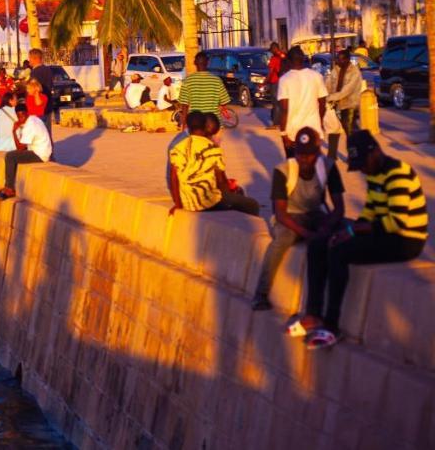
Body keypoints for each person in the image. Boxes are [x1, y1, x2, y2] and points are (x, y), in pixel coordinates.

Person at [295, 130, 428, 349]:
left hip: (405, 240)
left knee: (340, 253)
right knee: (320, 243)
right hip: (384, 232)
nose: (363, 170)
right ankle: (313, 313)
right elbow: (370, 211)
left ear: (375, 152)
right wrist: (349, 229)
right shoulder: (375, 174)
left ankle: (331, 325)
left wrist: (354, 232)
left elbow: (397, 221)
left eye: (363, 164)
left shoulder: (398, 173)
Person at [251, 128, 345, 311]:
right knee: (282, 240)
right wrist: (307, 234)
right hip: (290, 217)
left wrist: (328, 226)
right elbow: (280, 214)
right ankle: (261, 293)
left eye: (310, 155)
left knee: (345, 229)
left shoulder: (328, 167)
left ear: (318, 152)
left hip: (316, 214)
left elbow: (339, 208)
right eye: (301, 154)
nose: (305, 160)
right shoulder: (283, 170)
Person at [168, 111, 260, 216]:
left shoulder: (179, 147)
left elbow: (174, 179)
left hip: (187, 202)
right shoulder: (213, 148)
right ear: (205, 126)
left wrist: (178, 204)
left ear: (188, 127)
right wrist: (230, 193)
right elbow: (221, 181)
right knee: (252, 205)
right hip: (209, 202)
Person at [0, 102, 51, 200]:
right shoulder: (34, 119)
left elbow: (20, 148)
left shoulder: (30, 125)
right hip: (40, 151)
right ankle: (7, 186)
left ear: (27, 113)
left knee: (10, 156)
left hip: (40, 155)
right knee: (12, 154)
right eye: (19, 117)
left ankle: (10, 188)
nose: (21, 119)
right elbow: (20, 146)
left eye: (23, 116)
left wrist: (14, 131)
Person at [277, 46, 327, 158]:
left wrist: (283, 134)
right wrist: (320, 123)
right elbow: (323, 105)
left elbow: (284, 110)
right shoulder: (317, 76)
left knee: (294, 168)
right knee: (313, 166)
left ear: (289, 61)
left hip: (292, 133)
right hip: (314, 131)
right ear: (303, 58)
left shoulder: (285, 80)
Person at [325, 50, 363, 164]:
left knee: (350, 132)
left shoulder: (355, 73)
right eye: (337, 58)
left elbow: (345, 91)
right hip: (336, 103)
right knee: (333, 128)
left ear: (347, 59)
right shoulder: (336, 69)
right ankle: (331, 155)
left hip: (350, 104)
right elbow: (328, 83)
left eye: (340, 59)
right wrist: (324, 93)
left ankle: (354, 157)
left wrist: (329, 97)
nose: (338, 61)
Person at [176, 53, 230, 123]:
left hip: (195, 123)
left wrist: (184, 122)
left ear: (194, 63)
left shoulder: (187, 81)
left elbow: (184, 105)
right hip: (213, 124)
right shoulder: (217, 80)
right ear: (208, 62)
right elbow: (224, 101)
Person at [28, 49, 56, 131]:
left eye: (30, 58)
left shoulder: (34, 72)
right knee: (47, 134)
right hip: (48, 104)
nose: (29, 60)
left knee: (39, 134)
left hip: (39, 108)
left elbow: (33, 90)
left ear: (35, 59)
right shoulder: (48, 70)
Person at [267, 42, 286, 127]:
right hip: (284, 81)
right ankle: (281, 120)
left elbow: (271, 72)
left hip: (275, 81)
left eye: (271, 50)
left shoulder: (274, 58)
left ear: (274, 49)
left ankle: (275, 123)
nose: (271, 52)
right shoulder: (284, 56)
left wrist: (265, 81)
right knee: (281, 102)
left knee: (276, 103)